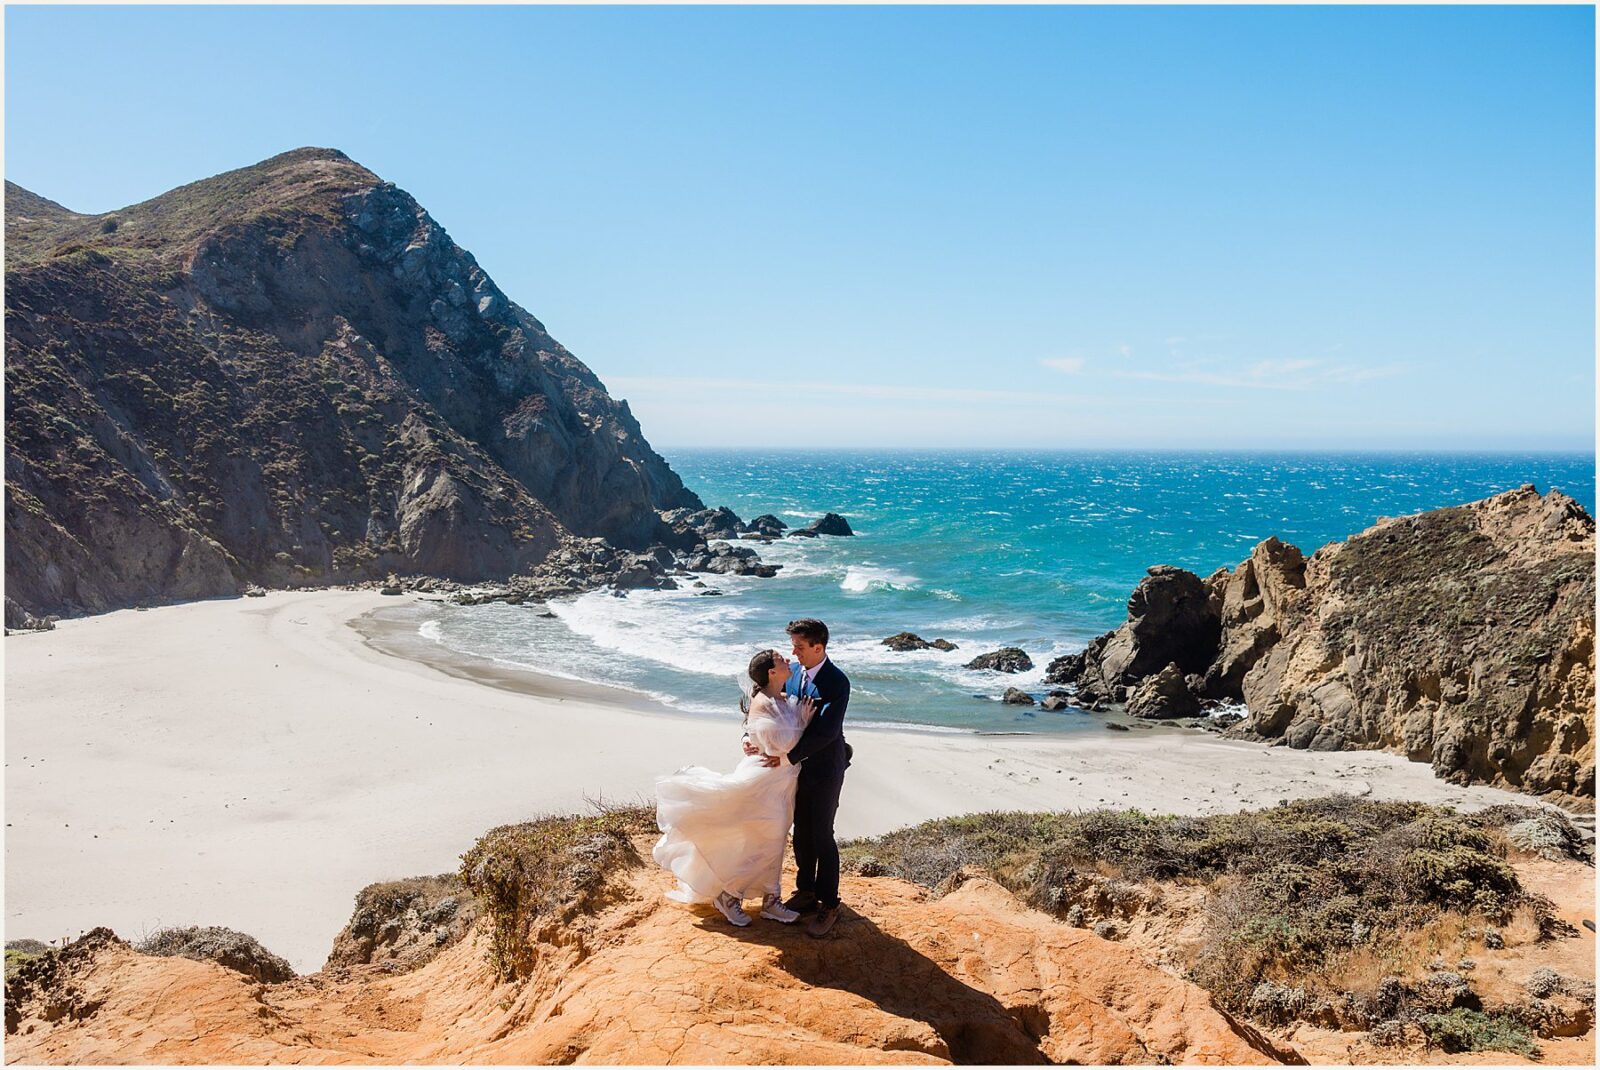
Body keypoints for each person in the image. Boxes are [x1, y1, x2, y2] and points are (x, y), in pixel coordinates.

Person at [653, 649, 815, 927]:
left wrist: (796, 718)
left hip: (784, 782)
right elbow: (779, 745)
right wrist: (804, 720)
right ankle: (729, 895)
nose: (788, 660)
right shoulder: (763, 701)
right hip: (764, 780)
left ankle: (770, 901)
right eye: (780, 660)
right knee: (766, 838)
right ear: (771, 673)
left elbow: (768, 737)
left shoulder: (783, 697)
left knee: (773, 841)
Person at [746, 618, 851, 938]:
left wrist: (788, 757)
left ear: (819, 647)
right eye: (792, 646)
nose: (794, 653)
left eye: (800, 647)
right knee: (802, 833)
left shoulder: (837, 682)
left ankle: (830, 903)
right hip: (795, 772)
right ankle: (806, 891)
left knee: (822, 833)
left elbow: (826, 732)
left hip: (824, 770)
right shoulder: (793, 678)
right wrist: (749, 739)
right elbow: (767, 707)